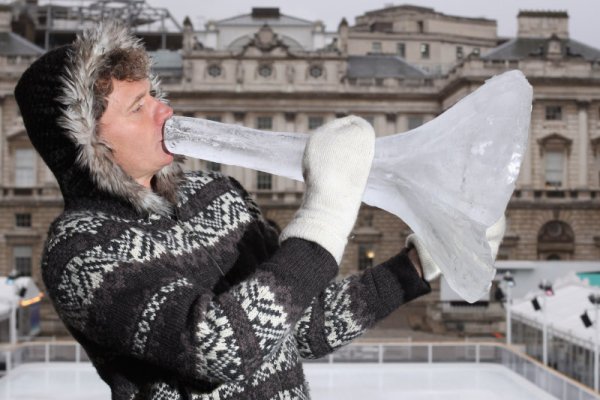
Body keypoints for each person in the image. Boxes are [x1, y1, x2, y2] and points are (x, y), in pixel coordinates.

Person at [14, 22, 494, 400]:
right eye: (139, 106)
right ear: (86, 142)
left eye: (155, 94)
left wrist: (419, 262)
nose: (166, 111)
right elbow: (214, 346)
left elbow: (301, 327)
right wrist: (325, 213)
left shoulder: (216, 194)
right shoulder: (78, 249)